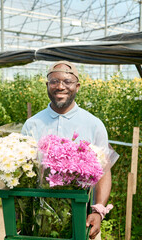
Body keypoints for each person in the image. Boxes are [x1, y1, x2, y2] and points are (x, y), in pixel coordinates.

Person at [21, 60, 119, 239]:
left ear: (77, 86)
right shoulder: (33, 124)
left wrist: (98, 211)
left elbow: (104, 172)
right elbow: (23, 171)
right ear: (47, 85)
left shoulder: (94, 125)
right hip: (39, 220)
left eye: (67, 81)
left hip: (82, 217)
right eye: (54, 81)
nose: (60, 86)